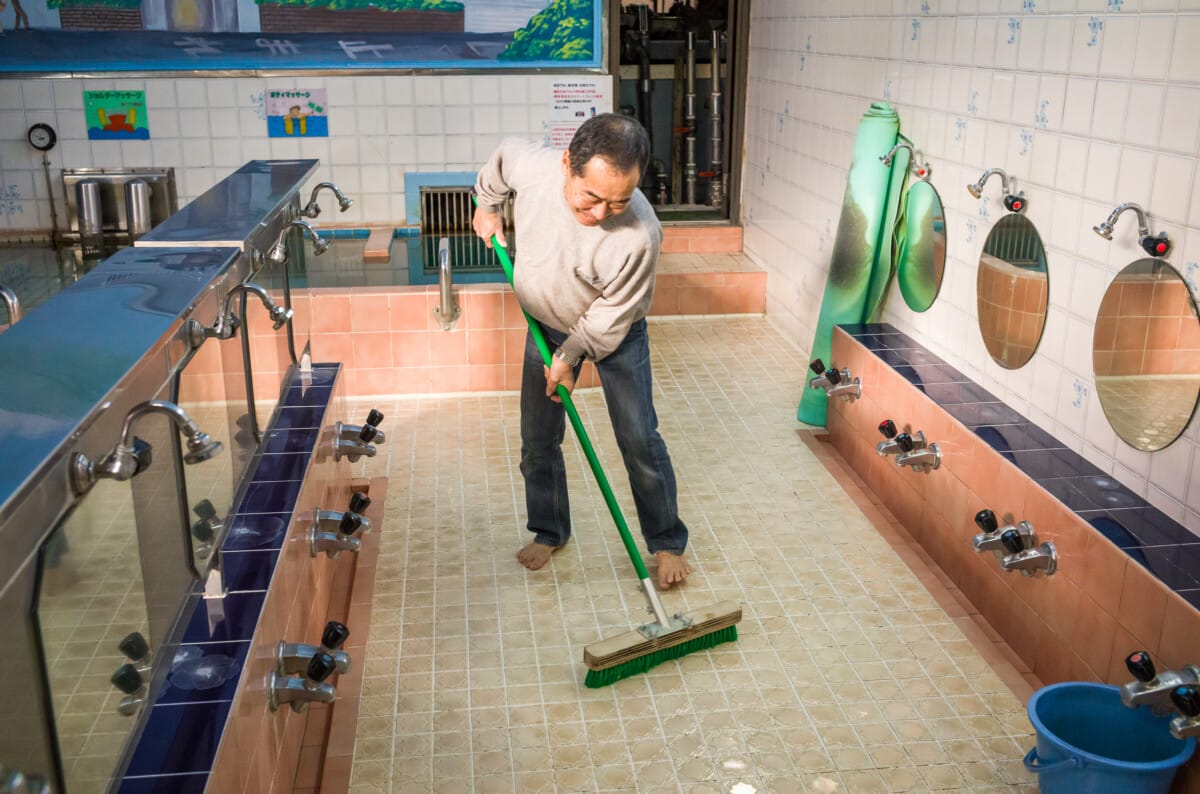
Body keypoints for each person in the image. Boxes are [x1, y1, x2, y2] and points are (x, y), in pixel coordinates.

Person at [472, 114, 692, 590]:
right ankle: (549, 530)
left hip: (616, 331)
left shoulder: (640, 235)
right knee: (538, 438)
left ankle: (666, 541)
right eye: (591, 197)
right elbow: (503, 156)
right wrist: (487, 206)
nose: (600, 214)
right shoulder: (534, 167)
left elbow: (611, 316)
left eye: (619, 201)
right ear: (568, 164)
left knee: (638, 437)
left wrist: (571, 357)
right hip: (543, 326)